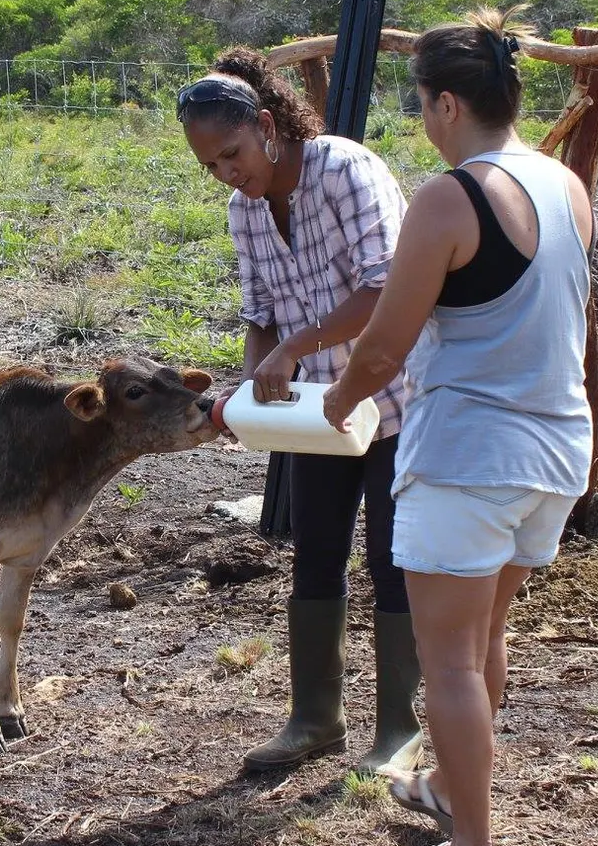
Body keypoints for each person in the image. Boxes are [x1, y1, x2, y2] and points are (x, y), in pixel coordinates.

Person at [322, 6, 594, 846]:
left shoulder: (449, 196)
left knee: (446, 663)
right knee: (483, 643)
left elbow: (385, 344)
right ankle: (446, 789)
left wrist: (337, 402)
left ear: (442, 103)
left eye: (420, 106)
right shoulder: (564, 186)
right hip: (555, 449)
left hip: (470, 454)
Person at [175, 47, 426, 776]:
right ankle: (315, 719)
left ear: (265, 123)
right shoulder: (243, 211)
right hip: (318, 413)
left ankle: (398, 732)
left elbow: (387, 292)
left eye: (233, 154)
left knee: (393, 561)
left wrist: (292, 347)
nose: (228, 174)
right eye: (211, 167)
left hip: (395, 399)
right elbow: (260, 312)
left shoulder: (346, 170)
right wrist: (258, 377)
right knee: (315, 556)